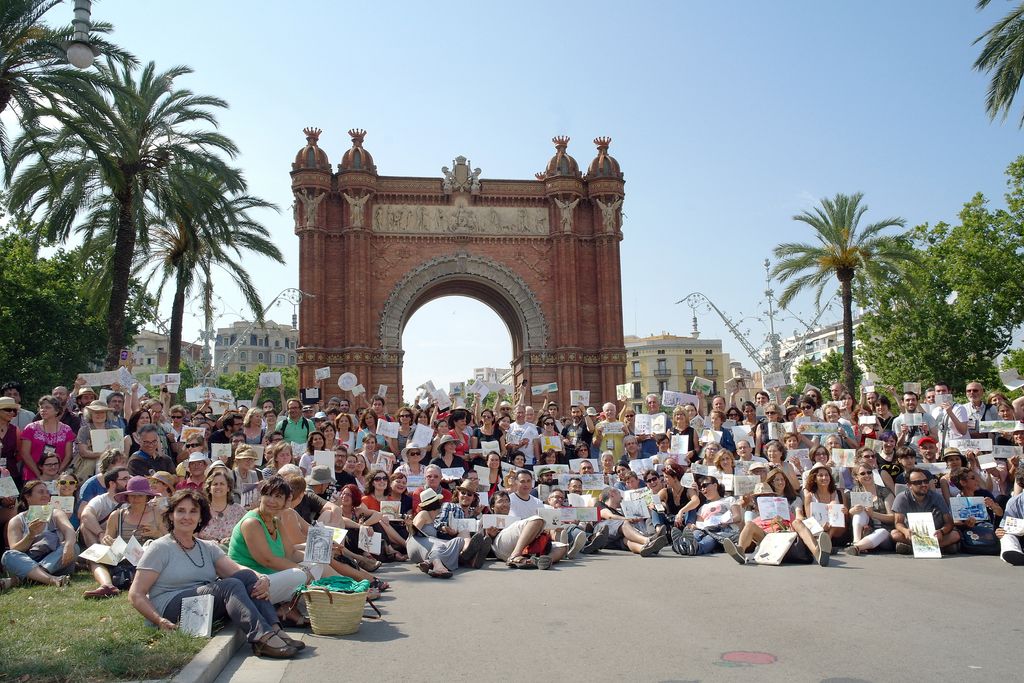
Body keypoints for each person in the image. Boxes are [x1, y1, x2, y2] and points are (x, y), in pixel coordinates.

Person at [130, 489, 303, 659]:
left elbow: (236, 570)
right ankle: (261, 638)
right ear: (170, 516)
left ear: (200, 518)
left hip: (201, 607)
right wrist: (159, 620)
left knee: (248, 577)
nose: (187, 517)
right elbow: (136, 593)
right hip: (170, 608)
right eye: (180, 511)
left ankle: (275, 629)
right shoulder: (160, 548)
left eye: (193, 512)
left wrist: (262, 579)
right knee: (229, 585)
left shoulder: (207, 546)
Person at [84, 475, 165, 599]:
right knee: (94, 555)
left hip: (148, 555)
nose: (136, 499)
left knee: (152, 551)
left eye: (140, 495)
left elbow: (170, 539)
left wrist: (156, 534)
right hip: (123, 555)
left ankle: (140, 584)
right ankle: (107, 586)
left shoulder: (157, 514)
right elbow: (107, 540)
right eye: (132, 495)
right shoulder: (117, 515)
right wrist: (109, 541)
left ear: (147, 497)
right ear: (127, 496)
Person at [2, 480, 78, 587]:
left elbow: (69, 530)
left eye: (47, 492)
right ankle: (50, 579)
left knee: (73, 546)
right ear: (28, 497)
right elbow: (16, 549)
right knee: (8, 555)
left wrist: (69, 545)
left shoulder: (56, 513)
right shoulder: (17, 521)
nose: (46, 495)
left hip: (54, 559)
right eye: (41, 492)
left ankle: (27, 578)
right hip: (28, 559)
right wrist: (30, 535)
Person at [405, 488, 489, 577]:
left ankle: (429, 562)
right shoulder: (424, 513)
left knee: (459, 541)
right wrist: (409, 525)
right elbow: (412, 532)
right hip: (416, 544)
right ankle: (438, 567)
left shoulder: (433, 516)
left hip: (429, 545)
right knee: (439, 545)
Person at [891, 468, 961, 555]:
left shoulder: (937, 497)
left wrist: (942, 531)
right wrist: (905, 531)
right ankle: (940, 547)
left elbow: (949, 522)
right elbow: (898, 523)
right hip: (914, 535)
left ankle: (915, 548)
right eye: (918, 482)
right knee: (894, 534)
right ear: (909, 485)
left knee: (955, 535)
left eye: (925, 481)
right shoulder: (902, 498)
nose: (923, 484)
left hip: (935, 534)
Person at [671, 477, 741, 556]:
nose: (703, 489)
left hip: (720, 530)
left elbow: (738, 517)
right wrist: (695, 527)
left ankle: (695, 548)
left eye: (705, 485)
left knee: (711, 539)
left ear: (715, 485)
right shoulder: (703, 507)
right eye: (701, 488)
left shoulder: (729, 500)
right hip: (704, 529)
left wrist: (727, 521)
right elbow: (699, 523)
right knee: (696, 533)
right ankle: (683, 545)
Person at [595, 487, 668, 557]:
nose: (622, 497)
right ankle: (648, 541)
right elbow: (609, 516)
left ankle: (644, 548)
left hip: (611, 540)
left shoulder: (620, 512)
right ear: (612, 494)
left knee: (626, 540)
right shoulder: (600, 505)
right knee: (624, 523)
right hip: (602, 530)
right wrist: (627, 519)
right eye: (619, 493)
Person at [19, 395, 75, 482]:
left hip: (57, 478)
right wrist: (39, 474)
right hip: (33, 475)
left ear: (57, 411)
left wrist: (58, 474)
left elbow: (68, 455)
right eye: (41, 407)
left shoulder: (66, 430)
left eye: (47, 407)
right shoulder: (30, 428)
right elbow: (24, 453)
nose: (43, 410)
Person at [843, 465, 896, 556]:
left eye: (869, 472)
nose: (867, 475)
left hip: (885, 533)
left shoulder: (884, 491)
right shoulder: (856, 490)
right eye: (863, 473)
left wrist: (873, 514)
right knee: (859, 513)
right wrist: (852, 511)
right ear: (857, 477)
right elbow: (852, 515)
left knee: (882, 532)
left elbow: (892, 518)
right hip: (866, 532)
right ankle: (857, 541)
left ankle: (857, 547)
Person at [80, 466, 132, 545]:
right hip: (101, 537)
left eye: (129, 478)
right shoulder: (101, 500)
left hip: (122, 536)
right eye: (125, 479)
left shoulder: (133, 499)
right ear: (112, 483)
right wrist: (100, 533)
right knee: (84, 526)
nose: (129, 482)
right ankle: (97, 554)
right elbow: (85, 515)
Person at [199, 468, 246, 547]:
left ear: (228, 488)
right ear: (209, 489)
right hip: (205, 554)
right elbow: (192, 536)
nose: (218, 487)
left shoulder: (238, 511)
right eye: (215, 484)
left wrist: (232, 539)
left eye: (222, 484)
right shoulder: (201, 510)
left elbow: (247, 533)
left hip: (231, 554)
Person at [996, 470, 1024, 565]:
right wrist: (1001, 531)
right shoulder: (1014, 502)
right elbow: (1007, 527)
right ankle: (1013, 554)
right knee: (1006, 536)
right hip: (1022, 535)